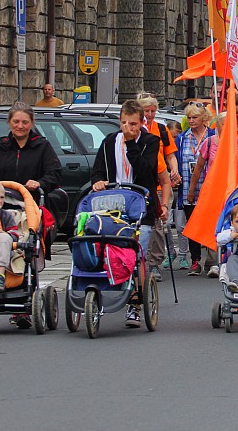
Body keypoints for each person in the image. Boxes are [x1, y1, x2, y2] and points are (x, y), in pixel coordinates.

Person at [0, 102, 62, 327]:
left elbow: (55, 174)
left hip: (28, 207)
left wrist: (40, 183)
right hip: (0, 207)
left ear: (32, 123)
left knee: (25, 247)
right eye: (16, 122)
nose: (20, 126)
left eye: (25, 122)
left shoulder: (42, 146)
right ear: (9, 123)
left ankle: (24, 297)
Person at [90, 99, 171, 327]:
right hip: (112, 204)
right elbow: (97, 170)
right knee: (108, 249)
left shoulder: (150, 141)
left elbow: (146, 173)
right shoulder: (108, 142)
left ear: (141, 123)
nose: (128, 128)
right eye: (124, 123)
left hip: (141, 207)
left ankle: (135, 303)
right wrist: (97, 181)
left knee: (137, 254)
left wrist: (131, 144)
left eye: (133, 124)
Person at [189, 111, 238, 278]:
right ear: (216, 125)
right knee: (214, 225)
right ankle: (213, 262)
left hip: (231, 190)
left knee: (232, 224)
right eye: (223, 122)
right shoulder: (209, 142)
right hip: (213, 190)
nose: (226, 126)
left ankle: (231, 260)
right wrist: (192, 190)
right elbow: (198, 168)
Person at [138, 95, 180, 281]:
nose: (149, 114)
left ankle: (155, 262)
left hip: (160, 182)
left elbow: (170, 154)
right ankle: (140, 260)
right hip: (141, 183)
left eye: (152, 111)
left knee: (158, 223)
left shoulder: (161, 129)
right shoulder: (136, 129)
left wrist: (175, 170)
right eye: (146, 111)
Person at [176, 102, 214, 273]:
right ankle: (195, 260)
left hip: (209, 186)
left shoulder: (212, 136)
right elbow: (177, 161)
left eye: (195, 117)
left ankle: (211, 259)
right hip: (188, 187)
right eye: (189, 117)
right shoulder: (183, 137)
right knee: (192, 225)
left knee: (210, 223)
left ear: (204, 118)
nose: (191, 120)